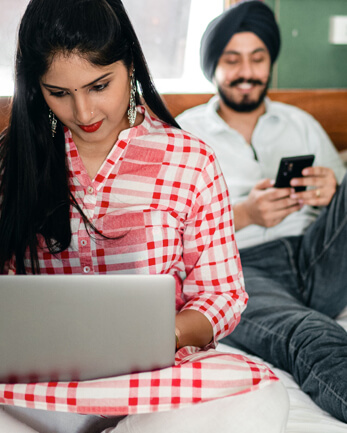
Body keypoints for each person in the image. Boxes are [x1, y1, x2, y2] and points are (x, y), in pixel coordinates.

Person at [0, 0, 290, 432]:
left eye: (100, 86)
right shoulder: (13, 161)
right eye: (59, 93)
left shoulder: (190, 161)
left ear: (130, 64)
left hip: (157, 386)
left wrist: (162, 336)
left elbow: (223, 297)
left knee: (264, 398)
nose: (84, 113)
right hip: (41, 390)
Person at [177, 0, 347, 424]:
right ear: (212, 66)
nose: (246, 72)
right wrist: (247, 214)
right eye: (232, 60)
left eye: (258, 58)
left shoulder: (300, 121)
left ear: (270, 63)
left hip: (318, 256)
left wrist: (332, 190)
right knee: (311, 334)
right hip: (242, 267)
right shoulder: (184, 134)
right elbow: (170, 233)